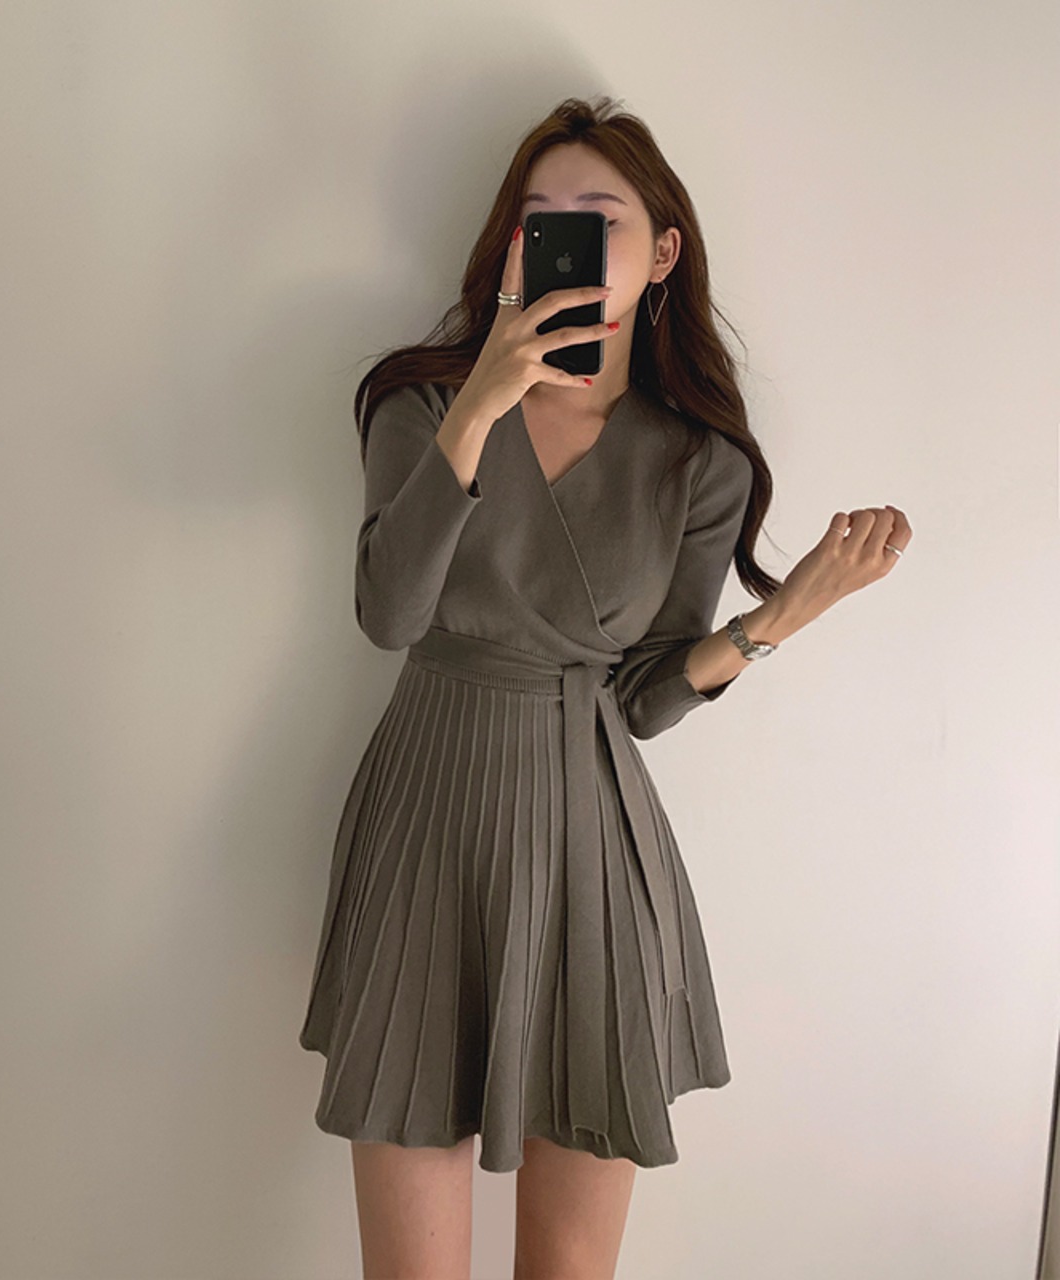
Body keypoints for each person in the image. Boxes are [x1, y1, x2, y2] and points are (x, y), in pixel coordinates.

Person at [299, 95, 910, 1280]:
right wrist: (482, 401)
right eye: (539, 220)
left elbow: (637, 698)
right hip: (425, 825)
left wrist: (773, 621)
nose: (564, 239)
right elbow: (387, 615)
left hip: (593, 850)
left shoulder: (697, 458)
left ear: (662, 252)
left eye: (598, 217)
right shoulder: (419, 402)